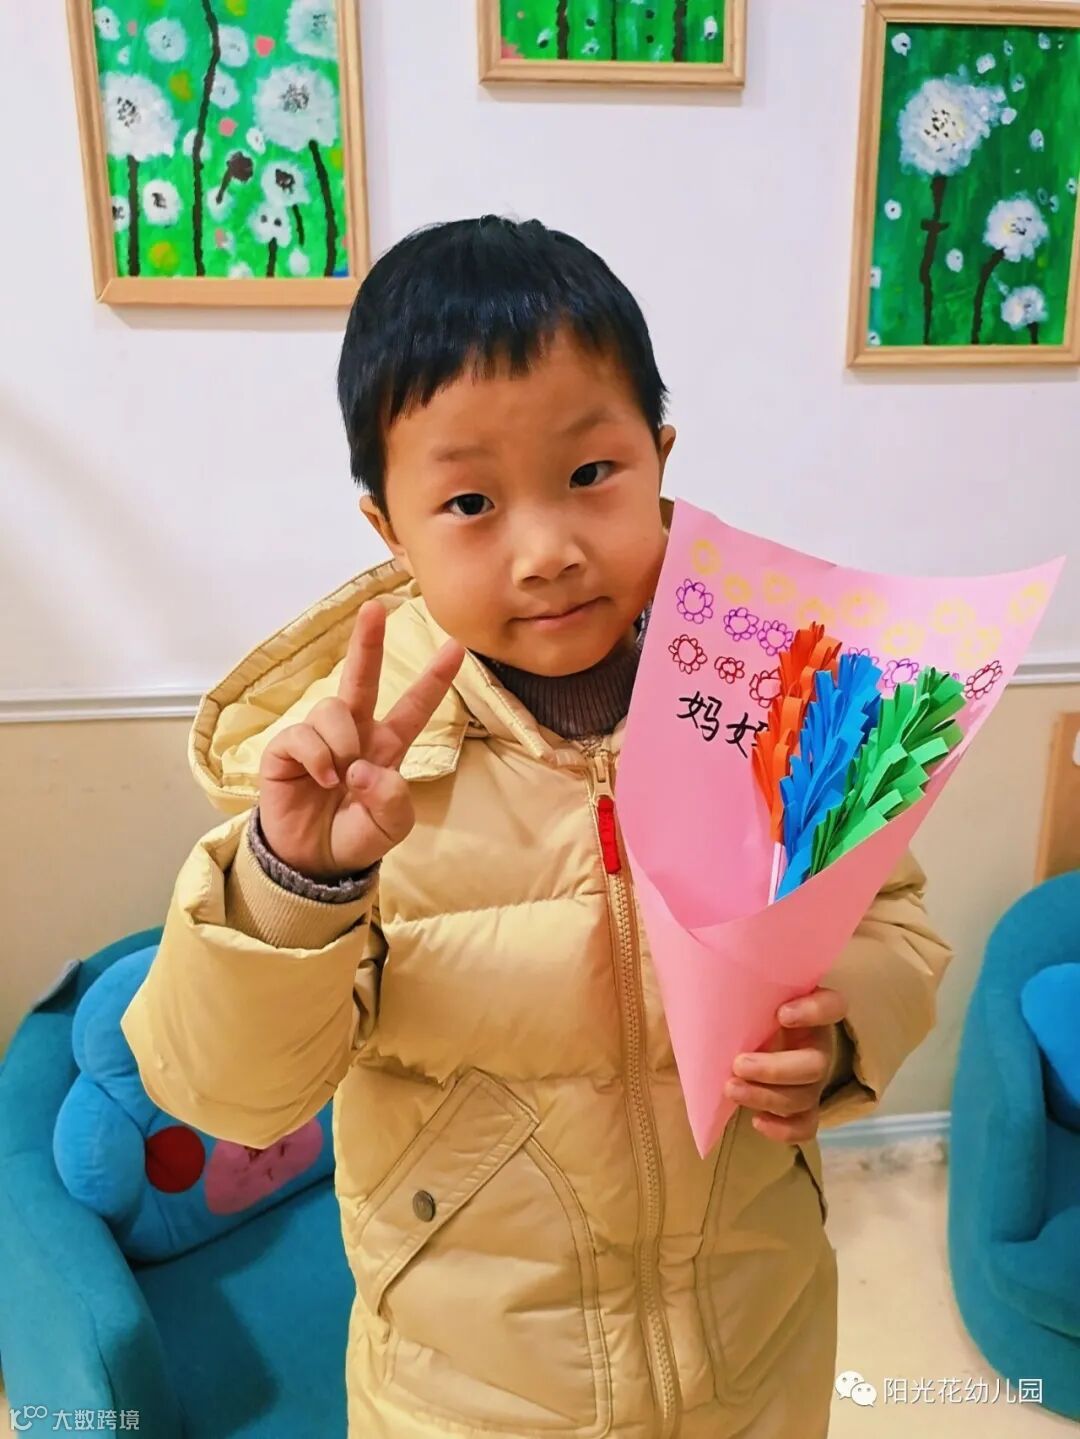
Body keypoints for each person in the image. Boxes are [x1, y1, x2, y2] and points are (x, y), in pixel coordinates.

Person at [121, 215, 952, 1438]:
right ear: (389, 529)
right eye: (469, 500)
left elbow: (891, 917)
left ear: (660, 459)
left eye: (592, 474)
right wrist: (295, 881)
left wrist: (840, 1036)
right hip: (471, 1393)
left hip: (759, 1345)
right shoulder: (347, 781)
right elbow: (236, 1094)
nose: (549, 549)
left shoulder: (777, 695)